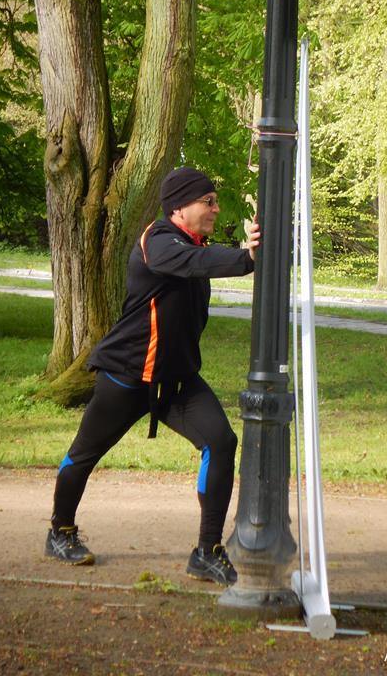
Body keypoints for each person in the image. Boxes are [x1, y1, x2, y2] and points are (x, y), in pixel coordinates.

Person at [44, 166, 260, 587]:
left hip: (177, 382)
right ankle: (60, 531)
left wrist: (250, 251)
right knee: (84, 454)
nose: (216, 209)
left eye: (215, 202)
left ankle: (206, 552)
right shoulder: (157, 240)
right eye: (208, 202)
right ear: (179, 207)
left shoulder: (194, 245)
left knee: (220, 442)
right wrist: (245, 258)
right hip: (127, 375)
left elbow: (202, 262)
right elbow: (194, 263)